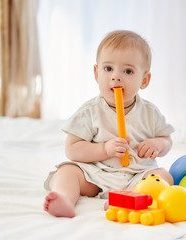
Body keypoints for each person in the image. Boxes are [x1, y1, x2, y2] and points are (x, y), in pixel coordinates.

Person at [43, 30, 174, 218]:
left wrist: (158, 145)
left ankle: (128, 199)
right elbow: (72, 149)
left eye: (128, 71)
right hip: (96, 174)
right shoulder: (90, 111)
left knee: (163, 176)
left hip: (137, 175)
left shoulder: (150, 113)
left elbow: (166, 139)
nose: (116, 77)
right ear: (96, 73)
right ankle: (64, 199)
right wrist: (104, 149)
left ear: (144, 80)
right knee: (68, 171)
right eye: (108, 69)